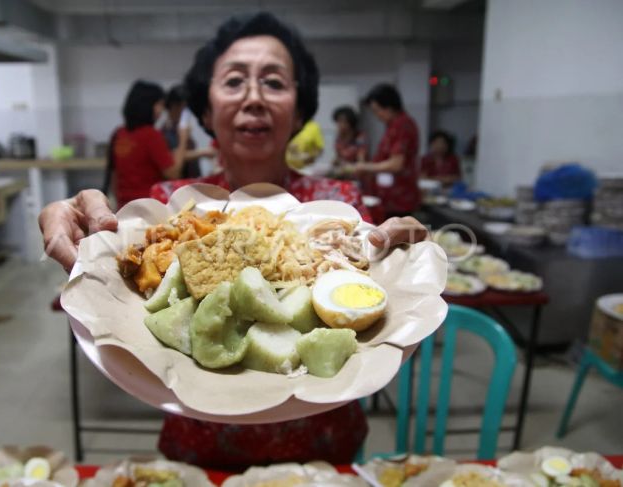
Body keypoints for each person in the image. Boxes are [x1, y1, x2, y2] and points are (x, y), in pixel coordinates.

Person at [39, 12, 428, 469]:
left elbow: (376, 286)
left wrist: (412, 257)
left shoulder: (337, 202)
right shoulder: (169, 205)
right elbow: (119, 293)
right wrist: (89, 244)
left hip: (323, 442)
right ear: (205, 108)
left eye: (275, 82)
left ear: (301, 109)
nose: (254, 97)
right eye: (234, 81)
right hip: (197, 440)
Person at [103, 80, 189, 209]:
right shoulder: (151, 135)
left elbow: (114, 176)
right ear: (147, 105)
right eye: (159, 104)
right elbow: (173, 173)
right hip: (150, 208)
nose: (161, 110)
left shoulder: (119, 134)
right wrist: (183, 138)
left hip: (124, 207)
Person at [343, 84, 421, 216]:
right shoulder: (393, 125)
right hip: (389, 195)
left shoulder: (402, 124)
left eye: (377, 110)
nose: (377, 115)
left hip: (399, 197)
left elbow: (396, 164)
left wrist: (364, 166)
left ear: (389, 107)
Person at [161, 84, 217, 178]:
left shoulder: (180, 128)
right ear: (174, 106)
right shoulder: (165, 132)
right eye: (184, 107)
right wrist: (203, 152)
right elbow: (172, 157)